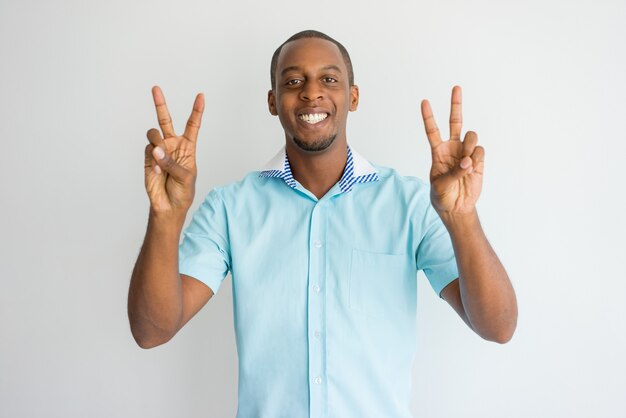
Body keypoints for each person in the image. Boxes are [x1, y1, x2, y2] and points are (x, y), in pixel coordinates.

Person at [127, 30, 518, 418]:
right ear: (272, 102)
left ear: (353, 97)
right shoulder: (231, 207)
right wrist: (167, 214)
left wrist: (462, 218)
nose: (311, 92)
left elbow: (497, 326)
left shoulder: (410, 203)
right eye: (293, 81)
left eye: (329, 79)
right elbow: (152, 331)